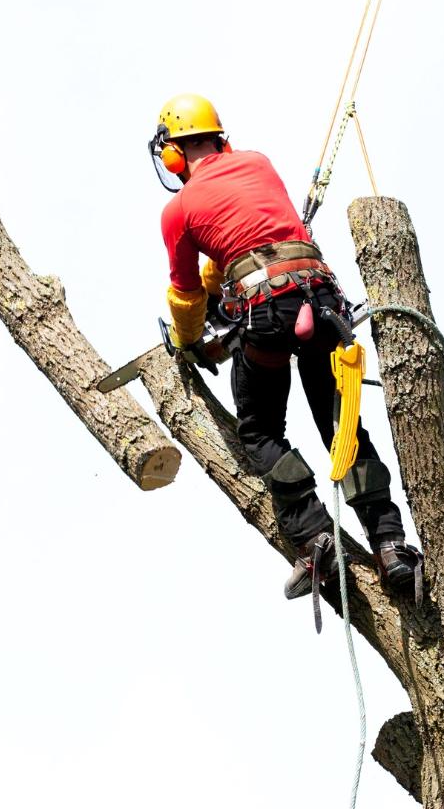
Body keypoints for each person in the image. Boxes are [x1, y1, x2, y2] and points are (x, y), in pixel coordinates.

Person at [149, 93, 420, 599]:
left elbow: (186, 292)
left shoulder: (179, 209)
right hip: (319, 302)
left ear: (173, 155)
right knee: (343, 428)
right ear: (220, 138)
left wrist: (188, 342)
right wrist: (219, 289)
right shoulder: (257, 162)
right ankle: (389, 545)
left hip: (267, 315)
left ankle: (315, 535)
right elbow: (239, 246)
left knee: (259, 431)